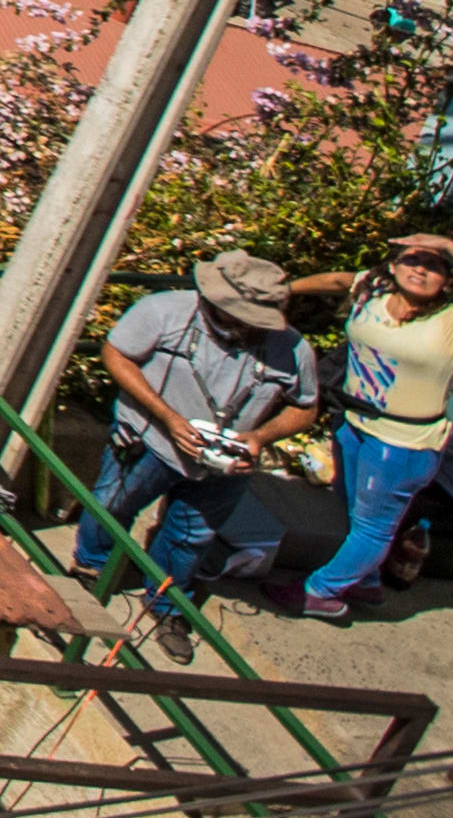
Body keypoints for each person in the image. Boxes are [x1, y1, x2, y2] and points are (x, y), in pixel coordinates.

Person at [91, 250, 323, 655]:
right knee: (112, 506)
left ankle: (166, 606)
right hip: (148, 441)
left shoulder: (294, 349)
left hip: (224, 465)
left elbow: (306, 407)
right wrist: (167, 416)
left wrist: (259, 437)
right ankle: (92, 570)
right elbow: (116, 354)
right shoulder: (162, 311)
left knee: (190, 536)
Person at [297, 235, 453, 620]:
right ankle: (367, 583)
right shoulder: (371, 293)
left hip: (403, 442)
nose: (421, 269)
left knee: (373, 526)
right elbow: (340, 281)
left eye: (435, 265)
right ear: (392, 266)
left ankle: (318, 593)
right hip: (354, 423)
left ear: (447, 280)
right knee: (356, 513)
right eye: (412, 260)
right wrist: (288, 289)